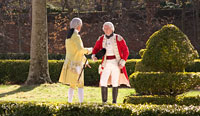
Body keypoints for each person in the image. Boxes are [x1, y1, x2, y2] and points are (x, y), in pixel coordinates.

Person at [92, 22, 130, 104]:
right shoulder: (101, 38)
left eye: (107, 28)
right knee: (103, 81)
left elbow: (126, 51)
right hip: (105, 63)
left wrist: (122, 61)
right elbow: (95, 49)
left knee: (115, 81)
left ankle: (114, 102)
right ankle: (104, 102)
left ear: (112, 29)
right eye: (104, 28)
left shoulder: (118, 38)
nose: (106, 30)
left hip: (116, 63)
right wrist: (94, 55)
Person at [59, 17, 92, 103]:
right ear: (79, 26)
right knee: (80, 84)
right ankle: (81, 103)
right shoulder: (76, 36)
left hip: (69, 63)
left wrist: (85, 61)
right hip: (76, 64)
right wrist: (90, 50)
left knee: (72, 85)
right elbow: (80, 50)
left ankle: (69, 102)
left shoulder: (68, 37)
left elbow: (75, 52)